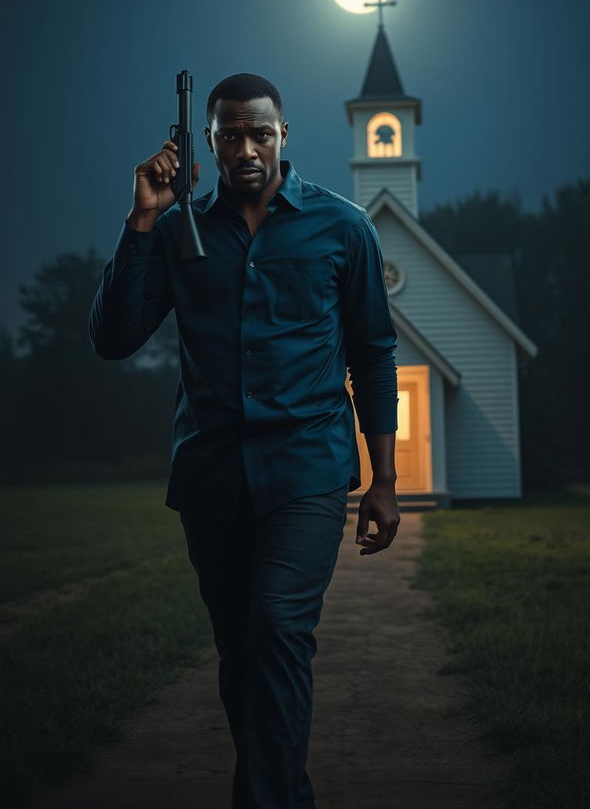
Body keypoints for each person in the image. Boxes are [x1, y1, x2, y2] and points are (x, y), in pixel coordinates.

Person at [88, 71, 400, 809]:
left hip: (307, 471)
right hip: (212, 475)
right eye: (232, 134)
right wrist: (140, 223)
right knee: (240, 651)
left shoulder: (342, 227)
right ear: (209, 143)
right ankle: (276, 788)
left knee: (278, 630)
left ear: (284, 135)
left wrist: (384, 480)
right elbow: (113, 337)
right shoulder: (176, 230)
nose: (248, 146)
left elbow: (374, 350)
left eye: (261, 132)